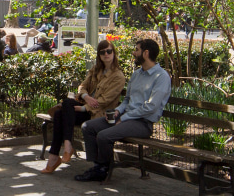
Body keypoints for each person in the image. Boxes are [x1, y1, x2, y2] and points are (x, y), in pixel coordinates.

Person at [74, 38, 172, 183]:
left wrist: (124, 118)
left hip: (142, 123)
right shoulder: (137, 74)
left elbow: (151, 107)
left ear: (145, 53)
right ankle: (98, 165)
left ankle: (101, 169)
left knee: (103, 136)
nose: (134, 52)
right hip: (126, 117)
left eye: (137, 50)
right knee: (88, 127)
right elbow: (126, 100)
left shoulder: (161, 77)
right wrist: (118, 112)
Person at [44, 40, 126, 173]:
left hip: (98, 114)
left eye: (109, 51)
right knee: (62, 111)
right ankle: (62, 149)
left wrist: (83, 108)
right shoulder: (95, 70)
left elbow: (104, 101)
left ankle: (58, 154)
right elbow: (82, 87)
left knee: (63, 111)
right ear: (99, 55)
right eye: (102, 52)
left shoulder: (118, 76)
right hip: (86, 108)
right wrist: (85, 97)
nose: (106, 54)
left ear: (114, 53)